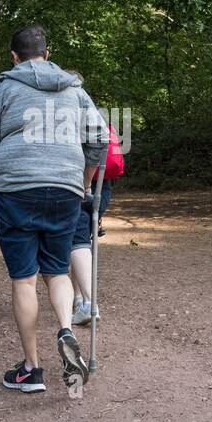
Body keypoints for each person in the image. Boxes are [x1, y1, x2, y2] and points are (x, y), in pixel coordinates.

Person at [0, 25, 108, 393]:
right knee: (58, 272)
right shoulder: (74, 89)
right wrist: (84, 181)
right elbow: (100, 138)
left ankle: (32, 369)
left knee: (24, 279)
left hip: (16, 188)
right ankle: (65, 329)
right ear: (48, 53)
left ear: (14, 57)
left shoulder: (3, 89)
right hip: (64, 189)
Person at [67, 79, 123, 325]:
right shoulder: (97, 118)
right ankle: (79, 298)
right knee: (80, 242)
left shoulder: (64, 120)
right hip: (104, 188)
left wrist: (85, 184)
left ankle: (87, 302)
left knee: (76, 243)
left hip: (80, 188)